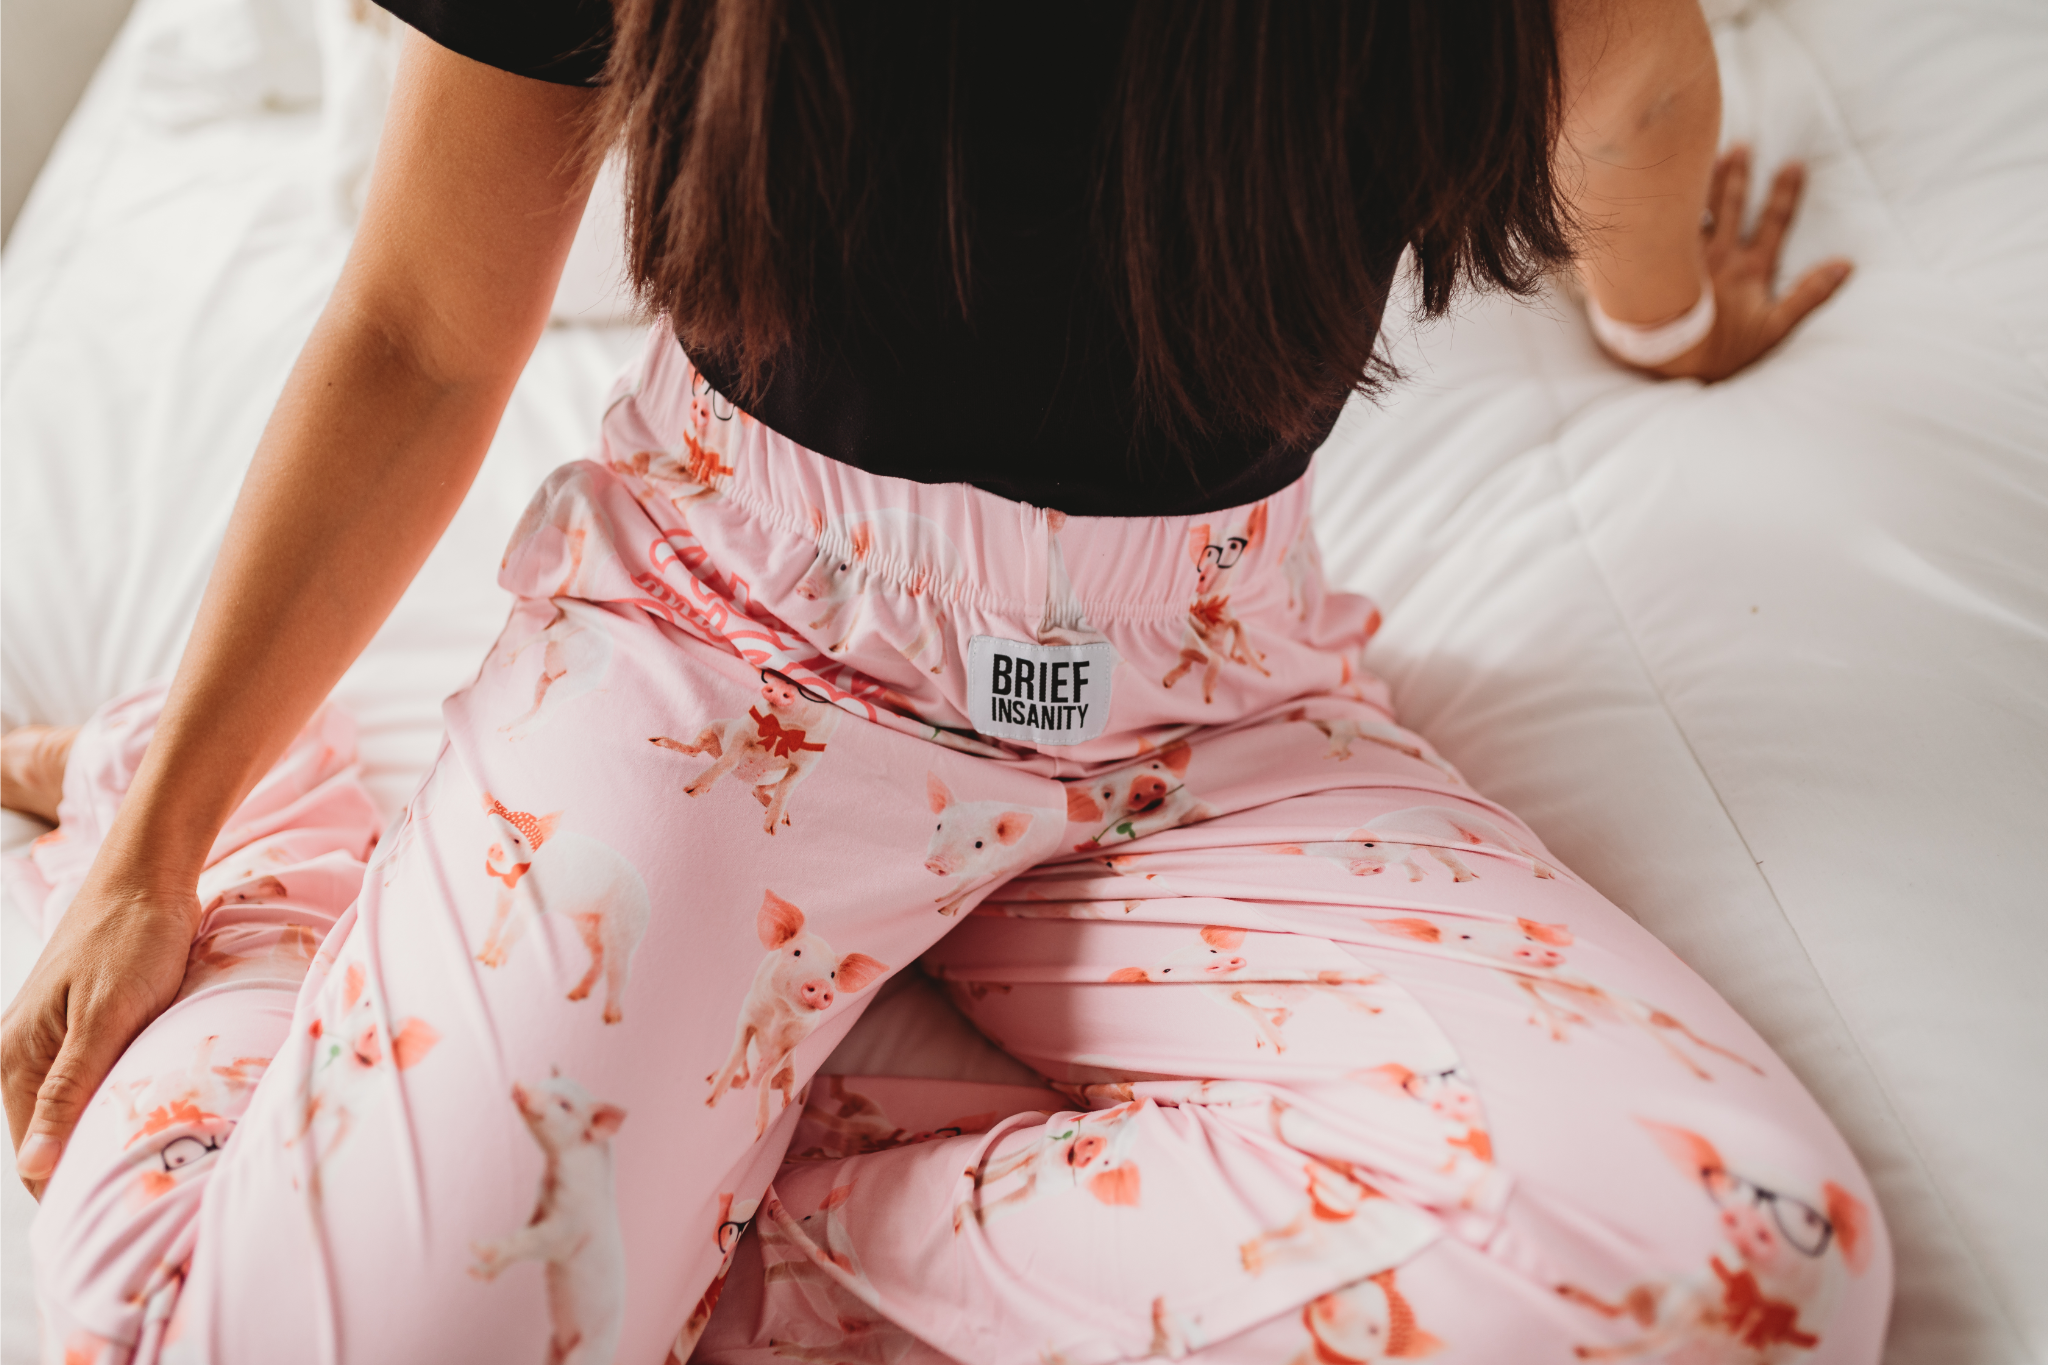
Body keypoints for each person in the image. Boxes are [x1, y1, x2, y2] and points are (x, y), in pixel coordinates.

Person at [1, 1, 1884, 1361]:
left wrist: (1668, 322)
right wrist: (165, 845)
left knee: (1744, 1262)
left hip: (1208, 696)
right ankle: (322, 884)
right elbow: (420, 322)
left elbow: (1637, 82)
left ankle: (721, 1216)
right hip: (725, 650)